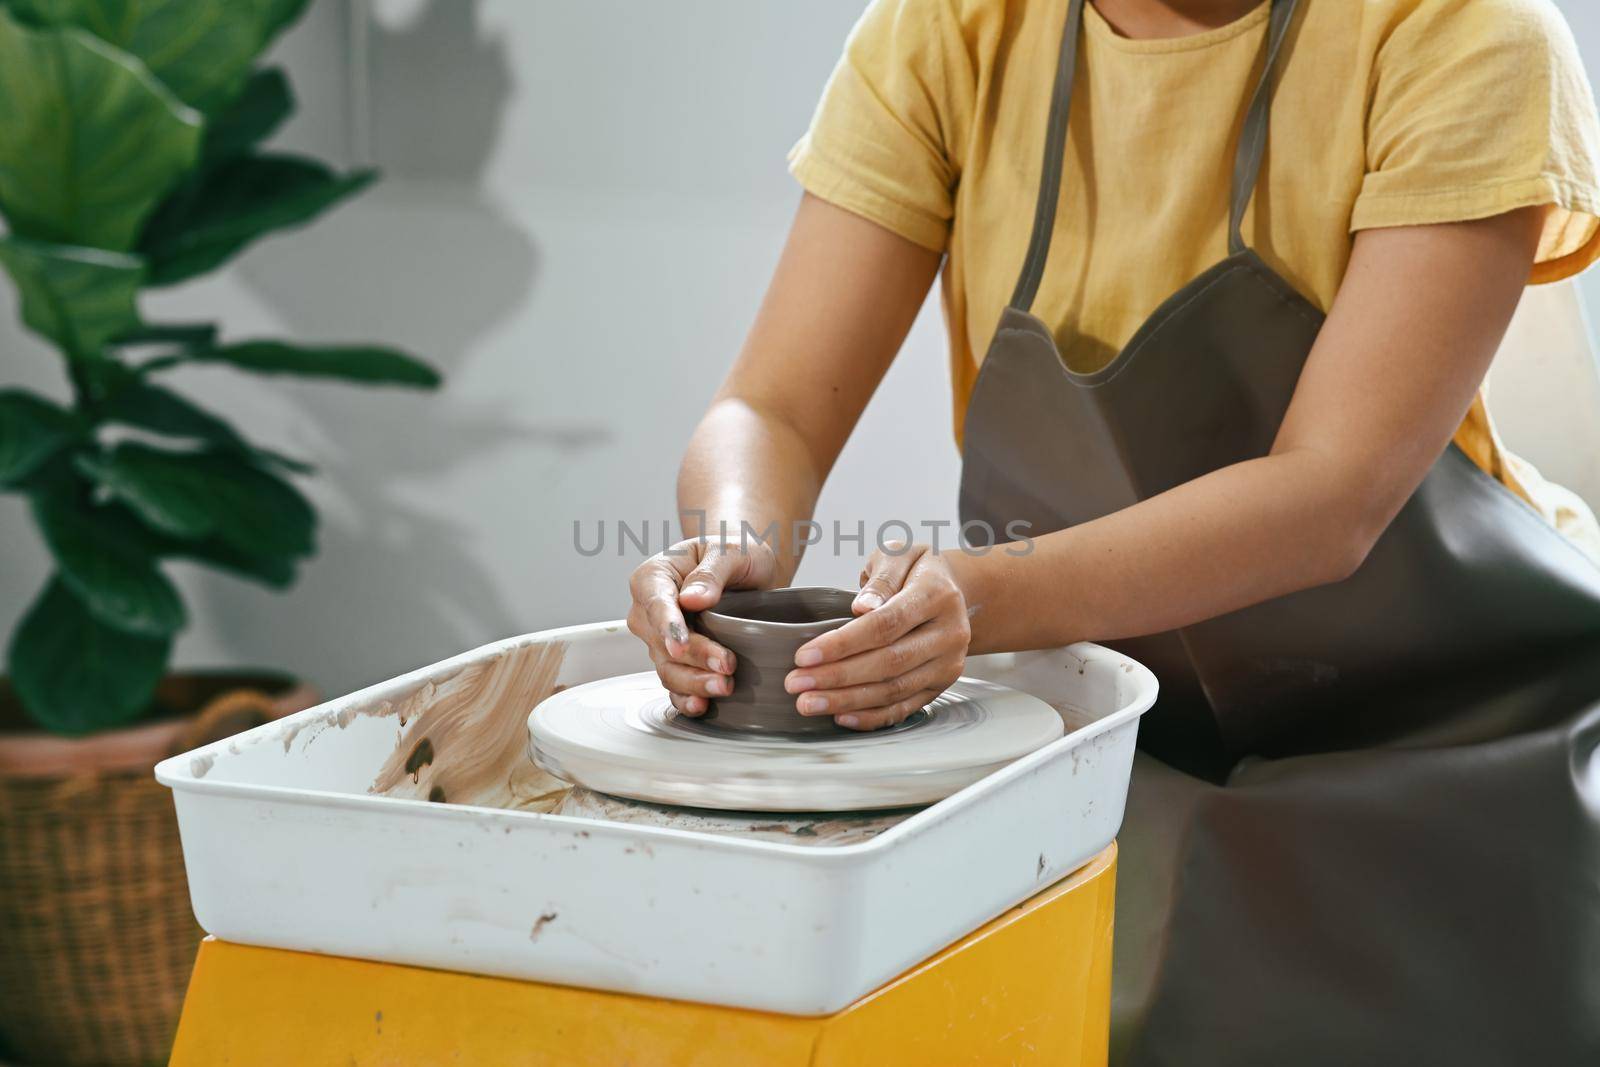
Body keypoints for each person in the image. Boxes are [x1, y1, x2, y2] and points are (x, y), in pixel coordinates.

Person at [627, 1, 1600, 1062]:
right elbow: (773, 406)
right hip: (1118, 733)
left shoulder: (1459, 31)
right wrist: (730, 544)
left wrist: (979, 596)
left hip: (1453, 739)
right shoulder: (955, 27)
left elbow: (1332, 495)